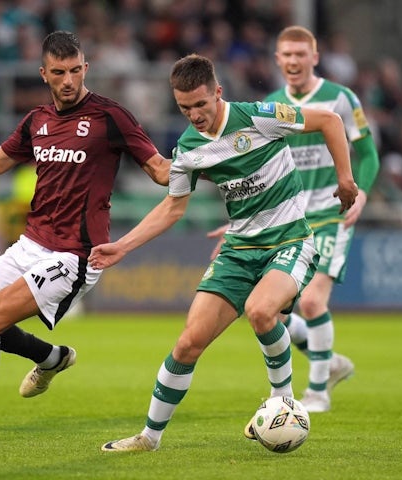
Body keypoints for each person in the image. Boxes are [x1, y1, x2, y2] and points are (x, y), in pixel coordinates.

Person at [0, 30, 170, 447]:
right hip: (29, 245)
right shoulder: (36, 121)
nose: (69, 80)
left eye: (76, 70)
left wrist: (202, 159)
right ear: (44, 73)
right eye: (59, 72)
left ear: (86, 69)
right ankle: (50, 356)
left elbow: (160, 170)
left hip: (77, 255)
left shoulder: (111, 116)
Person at [88, 53, 358, 452]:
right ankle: (149, 438)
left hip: (289, 240)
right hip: (238, 249)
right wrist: (123, 246)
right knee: (187, 343)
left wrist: (345, 178)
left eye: (201, 104)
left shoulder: (259, 116)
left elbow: (329, 121)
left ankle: (280, 401)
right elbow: (172, 208)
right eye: (184, 108)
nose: (194, 114)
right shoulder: (189, 149)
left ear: (218, 92)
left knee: (261, 310)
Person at [209, 26, 380, 415]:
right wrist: (244, 221)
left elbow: (368, 154)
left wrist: (362, 190)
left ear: (314, 57)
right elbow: (257, 170)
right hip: (288, 220)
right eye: (286, 54)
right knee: (273, 315)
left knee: (315, 300)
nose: (293, 61)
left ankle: (318, 392)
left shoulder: (340, 98)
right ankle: (329, 360)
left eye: (300, 54)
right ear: (277, 59)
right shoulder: (270, 103)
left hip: (332, 214)